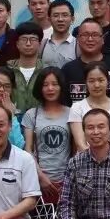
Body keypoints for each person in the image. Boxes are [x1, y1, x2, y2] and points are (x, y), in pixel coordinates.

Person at [20, 66, 71, 203]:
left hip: (66, 180)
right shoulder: (31, 114)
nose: (50, 88)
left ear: (61, 86)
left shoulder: (72, 113)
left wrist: (70, 178)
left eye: (54, 84)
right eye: (45, 85)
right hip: (37, 179)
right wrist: (41, 177)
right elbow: (28, 149)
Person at [62, 18, 110, 104]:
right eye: (85, 35)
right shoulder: (68, 69)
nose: (90, 39)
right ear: (78, 39)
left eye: (95, 35)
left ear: (102, 39)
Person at [68, 62, 110, 148]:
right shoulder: (77, 108)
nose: (96, 85)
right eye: (91, 81)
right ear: (85, 83)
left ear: (108, 81)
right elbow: (80, 144)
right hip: (85, 156)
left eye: (101, 80)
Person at [5, 21, 43, 113]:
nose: (28, 43)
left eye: (33, 39)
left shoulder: (46, 70)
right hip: (12, 118)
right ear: (17, 44)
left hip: (39, 119)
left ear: (40, 44)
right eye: (24, 39)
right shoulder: (7, 70)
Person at [41, 0, 78, 69]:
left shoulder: (78, 45)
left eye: (65, 15)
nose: (60, 19)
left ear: (72, 19)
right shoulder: (42, 45)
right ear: (49, 20)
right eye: (56, 15)